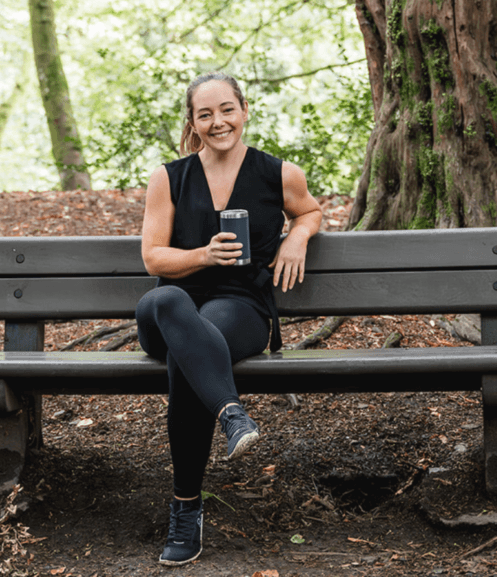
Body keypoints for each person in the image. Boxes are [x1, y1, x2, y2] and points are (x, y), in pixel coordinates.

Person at [135, 71, 322, 566]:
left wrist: (297, 237)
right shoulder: (169, 176)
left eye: (226, 110)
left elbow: (309, 212)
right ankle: (231, 414)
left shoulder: (278, 173)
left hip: (240, 307)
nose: (218, 122)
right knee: (170, 304)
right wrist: (202, 255)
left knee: (190, 353)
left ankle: (185, 507)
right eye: (205, 114)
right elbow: (154, 259)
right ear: (193, 123)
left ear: (244, 110)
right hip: (175, 302)